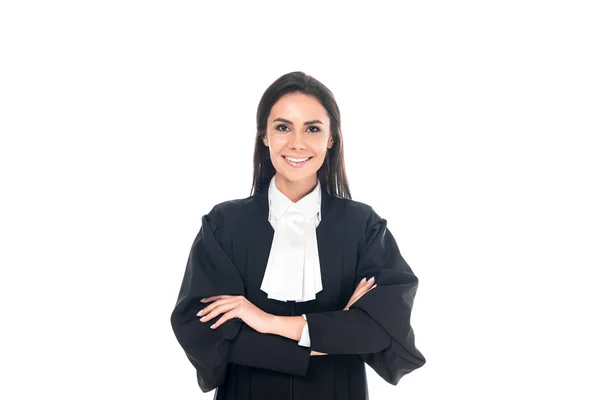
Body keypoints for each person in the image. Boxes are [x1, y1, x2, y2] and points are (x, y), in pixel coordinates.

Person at [170, 71, 426, 400]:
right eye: (282, 127)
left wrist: (264, 321)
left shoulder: (364, 227)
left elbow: (381, 329)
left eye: (313, 128)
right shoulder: (224, 224)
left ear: (331, 138)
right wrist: (330, 336)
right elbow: (204, 331)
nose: (297, 143)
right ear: (264, 135)